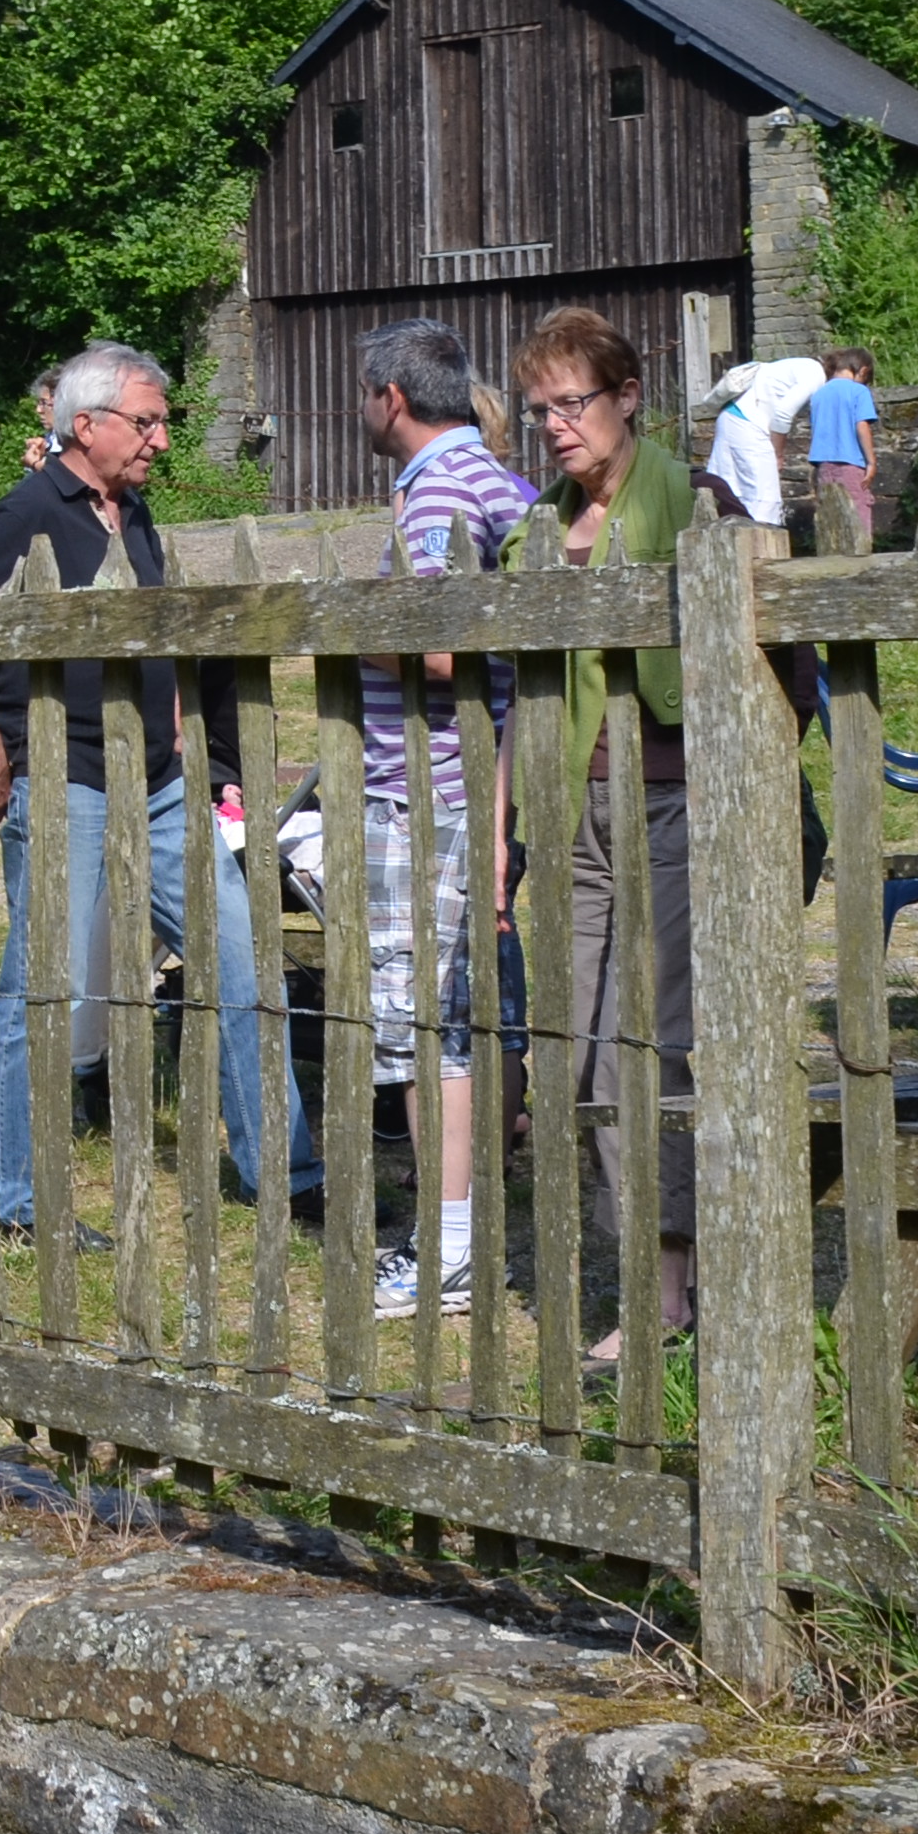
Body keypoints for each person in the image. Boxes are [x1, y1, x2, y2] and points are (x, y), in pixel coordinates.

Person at [0, 343, 301, 1238]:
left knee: (239, 957)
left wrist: (186, 740)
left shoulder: (137, 514)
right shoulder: (25, 514)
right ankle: (20, 1197)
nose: (159, 440)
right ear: (87, 426)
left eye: (162, 422)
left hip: (158, 787)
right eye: (145, 422)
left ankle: (285, 1168)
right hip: (67, 779)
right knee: (42, 983)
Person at [502, 305, 700, 1353]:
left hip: (669, 800)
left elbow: (780, 682)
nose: (554, 425)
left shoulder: (692, 505)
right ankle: (652, 1268)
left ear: (626, 397)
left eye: (571, 402)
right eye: (539, 410)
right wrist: (499, 830)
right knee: (575, 1047)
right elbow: (521, 702)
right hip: (568, 806)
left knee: (648, 1043)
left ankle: (664, 1291)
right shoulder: (538, 531)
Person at [340, 318, 533, 1315]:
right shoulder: (488, 477)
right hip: (473, 785)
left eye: (362, 394)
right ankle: (462, 1229)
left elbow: (442, 650)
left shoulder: (442, 495)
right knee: (461, 1009)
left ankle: (448, 1251)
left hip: (432, 790)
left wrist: (345, 626)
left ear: (390, 398)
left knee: (424, 1024)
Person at [701, 353, 826, 528]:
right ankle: (762, 550)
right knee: (764, 497)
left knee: (729, 489)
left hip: (731, 416)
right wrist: (778, 455)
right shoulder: (816, 374)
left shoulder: (801, 364)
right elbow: (783, 414)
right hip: (748, 422)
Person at [806, 349, 881, 549]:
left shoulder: (818, 394)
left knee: (831, 518)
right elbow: (861, 426)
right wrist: (871, 461)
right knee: (858, 516)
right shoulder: (859, 391)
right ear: (863, 371)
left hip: (823, 466)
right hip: (852, 465)